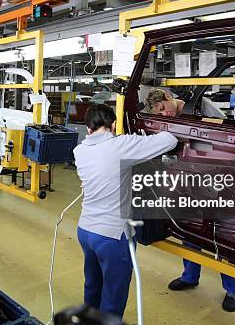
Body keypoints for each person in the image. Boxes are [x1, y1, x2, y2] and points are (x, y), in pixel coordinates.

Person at [74, 104, 178, 318]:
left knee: (92, 287)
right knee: (113, 296)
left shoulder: (79, 150)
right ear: (113, 124)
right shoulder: (120, 146)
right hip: (112, 236)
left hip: (85, 230)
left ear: (88, 127)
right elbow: (170, 140)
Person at [146, 91, 235, 311]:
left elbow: (225, 131)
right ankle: (190, 276)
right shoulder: (168, 120)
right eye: (158, 111)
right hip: (188, 181)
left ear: (169, 96)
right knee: (189, 230)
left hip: (216, 178)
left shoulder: (201, 105)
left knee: (222, 236)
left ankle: (232, 290)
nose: (164, 112)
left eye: (163, 106)